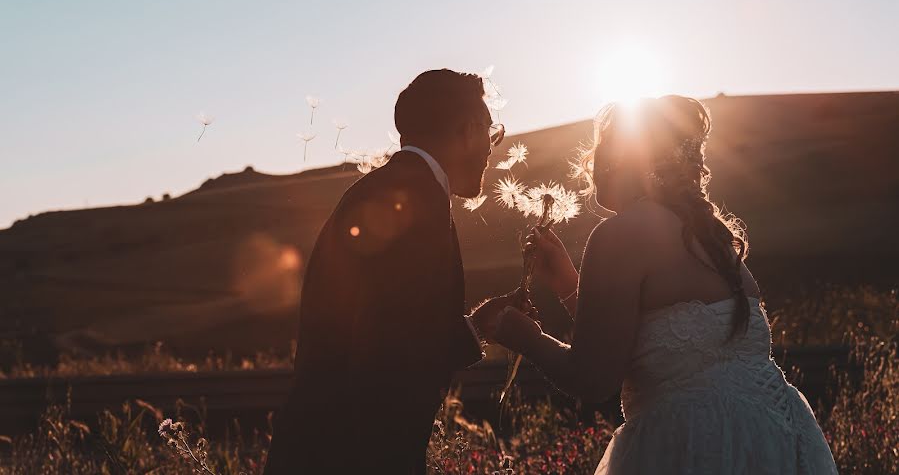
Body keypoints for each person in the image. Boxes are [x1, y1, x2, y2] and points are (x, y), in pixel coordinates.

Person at [494, 95, 838, 474]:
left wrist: (524, 336)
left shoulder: (618, 235)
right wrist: (566, 282)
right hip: (774, 441)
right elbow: (651, 345)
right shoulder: (711, 240)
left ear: (623, 159)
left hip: (692, 447)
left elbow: (592, 380)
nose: (591, 163)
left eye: (602, 148)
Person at [263, 69, 525, 475]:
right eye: (491, 133)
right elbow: (389, 353)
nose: (492, 151)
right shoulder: (414, 203)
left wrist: (479, 325)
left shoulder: (392, 189)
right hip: (352, 453)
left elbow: (396, 325)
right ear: (469, 130)